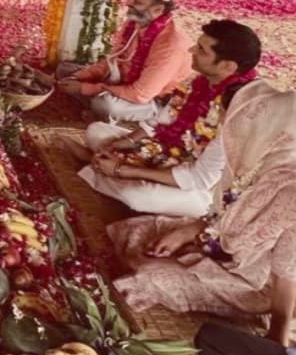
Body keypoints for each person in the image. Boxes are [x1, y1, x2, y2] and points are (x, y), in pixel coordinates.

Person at [107, 80, 296, 344]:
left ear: (259, 131)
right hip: (232, 252)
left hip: (265, 286)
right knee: (139, 230)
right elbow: (222, 215)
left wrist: (274, 341)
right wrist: (187, 233)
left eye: (236, 127)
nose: (228, 134)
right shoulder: (254, 162)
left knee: (149, 280)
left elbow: (286, 282)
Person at [67, 19, 261, 217]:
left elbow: (199, 178)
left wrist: (122, 169)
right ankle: (107, 167)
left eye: (201, 50)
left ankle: (96, 165)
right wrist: (123, 143)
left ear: (228, 67)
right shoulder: (203, 81)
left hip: (207, 190)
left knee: (137, 197)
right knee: (97, 131)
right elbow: (158, 123)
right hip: (169, 152)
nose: (192, 50)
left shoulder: (236, 112)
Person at [55, 0, 193, 122]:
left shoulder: (170, 45)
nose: (129, 3)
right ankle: (92, 101)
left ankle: (101, 108)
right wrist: (79, 77)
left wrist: (85, 88)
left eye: (138, 2)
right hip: (123, 83)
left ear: (157, 10)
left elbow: (140, 94)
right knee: (64, 70)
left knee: (105, 104)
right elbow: (112, 61)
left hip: (152, 100)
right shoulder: (134, 23)